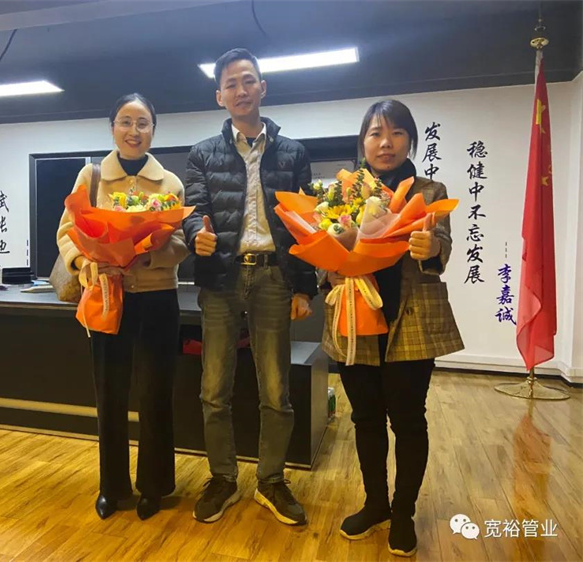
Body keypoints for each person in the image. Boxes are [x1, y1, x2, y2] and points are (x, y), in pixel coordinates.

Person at [182, 48, 316, 526]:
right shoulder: (202, 153)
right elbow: (193, 212)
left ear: (263, 87)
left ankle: (271, 480)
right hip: (221, 277)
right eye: (231, 84)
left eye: (248, 80)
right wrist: (194, 235)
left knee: (276, 387)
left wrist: (305, 288)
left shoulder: (294, 153)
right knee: (213, 387)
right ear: (219, 96)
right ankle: (223, 478)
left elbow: (306, 226)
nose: (240, 90)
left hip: (274, 277)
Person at [326, 99, 464, 556]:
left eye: (396, 133)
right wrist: (329, 267)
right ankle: (376, 504)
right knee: (364, 418)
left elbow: (441, 244)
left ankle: (403, 512)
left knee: (408, 420)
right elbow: (323, 247)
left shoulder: (428, 191)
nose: (385, 143)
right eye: (375, 133)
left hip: (411, 320)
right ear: (362, 142)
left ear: (410, 140)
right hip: (357, 319)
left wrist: (430, 247)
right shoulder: (342, 194)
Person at [57, 93, 189, 521]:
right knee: (109, 394)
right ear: (112, 127)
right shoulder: (92, 176)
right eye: (126, 122)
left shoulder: (170, 183)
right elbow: (67, 231)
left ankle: (154, 486)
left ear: (154, 130)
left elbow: (181, 243)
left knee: (155, 394)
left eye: (143, 123)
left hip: (157, 297)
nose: (134, 131)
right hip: (109, 295)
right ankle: (111, 487)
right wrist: (83, 264)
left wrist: (150, 255)